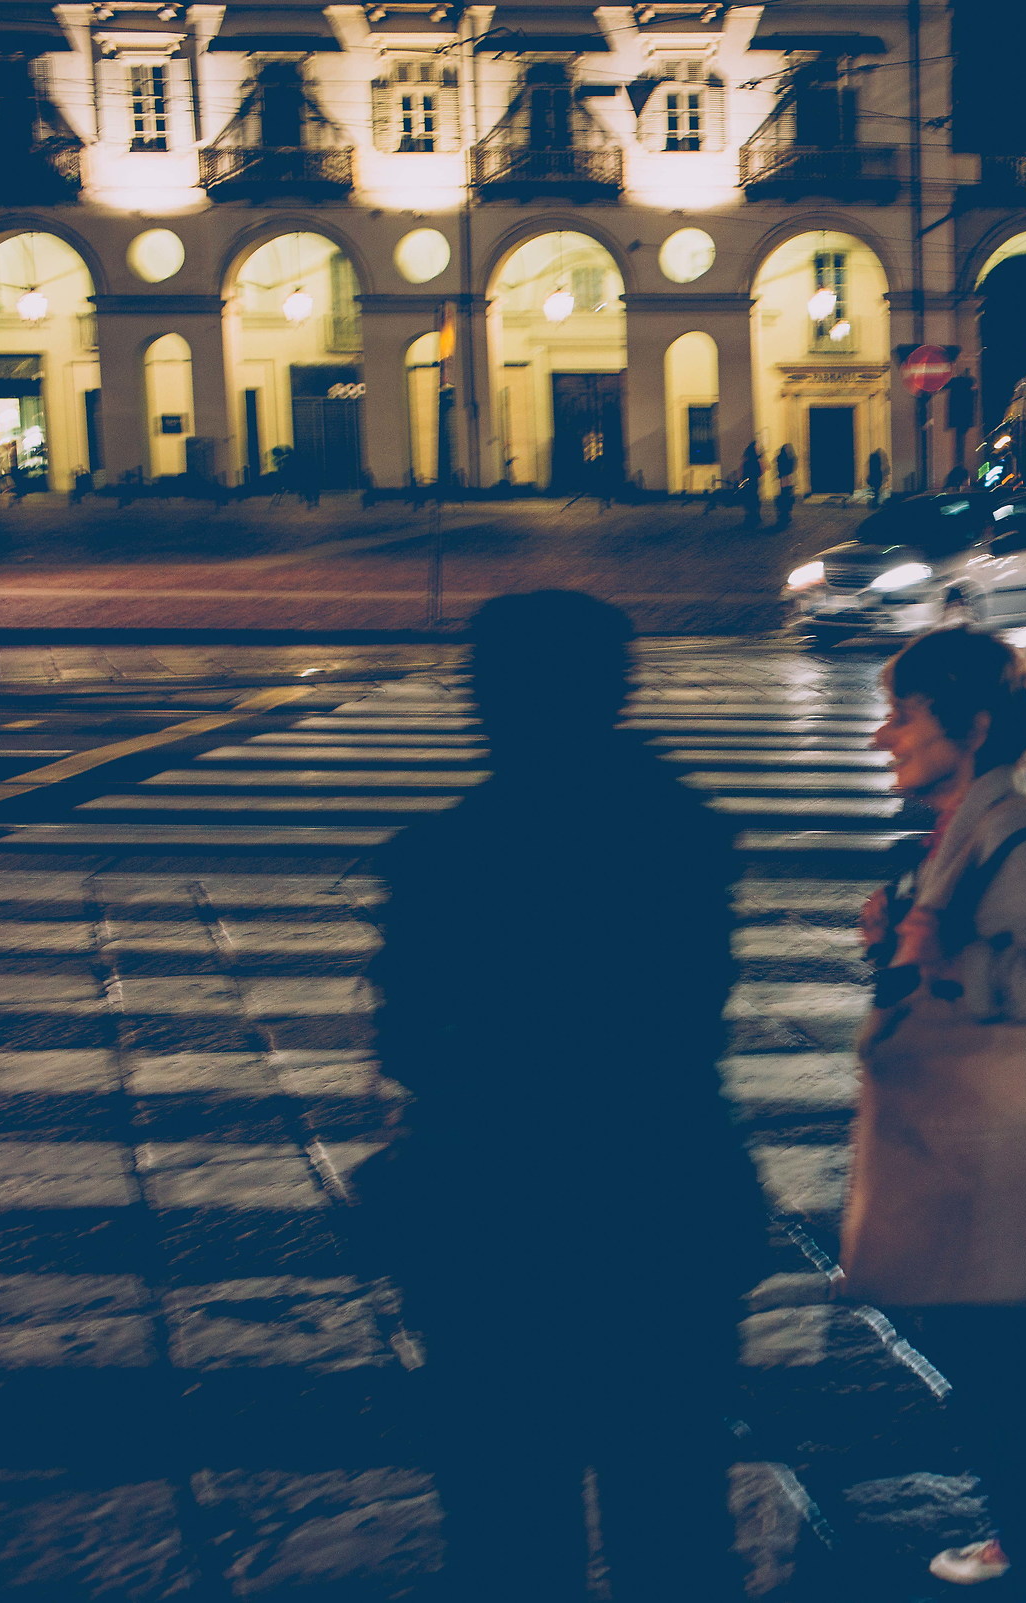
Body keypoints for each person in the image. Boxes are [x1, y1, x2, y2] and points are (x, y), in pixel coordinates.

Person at [363, 590, 768, 1602]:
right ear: (615, 692)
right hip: (662, 1208)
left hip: (497, 1226)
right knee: (672, 1515)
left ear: (492, 700)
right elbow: (689, 1020)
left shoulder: (447, 859)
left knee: (510, 1528)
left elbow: (412, 1045)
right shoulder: (686, 841)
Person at [845, 626, 1026, 1600]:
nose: (884, 737)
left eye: (903, 717)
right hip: (982, 1127)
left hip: (1002, 1131)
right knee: (995, 1351)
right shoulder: (962, 826)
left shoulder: (1010, 832)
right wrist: (905, 940)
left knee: (1000, 1356)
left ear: (966, 728)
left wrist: (952, 968)